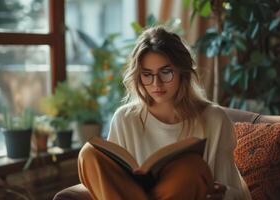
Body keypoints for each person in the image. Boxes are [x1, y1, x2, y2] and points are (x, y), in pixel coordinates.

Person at [78, 26, 251, 200]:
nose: (156, 84)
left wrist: (221, 194)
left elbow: (235, 192)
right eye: (147, 74)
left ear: (183, 72)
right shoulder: (125, 118)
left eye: (166, 72)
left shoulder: (214, 119)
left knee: (190, 168)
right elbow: (116, 184)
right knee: (89, 154)